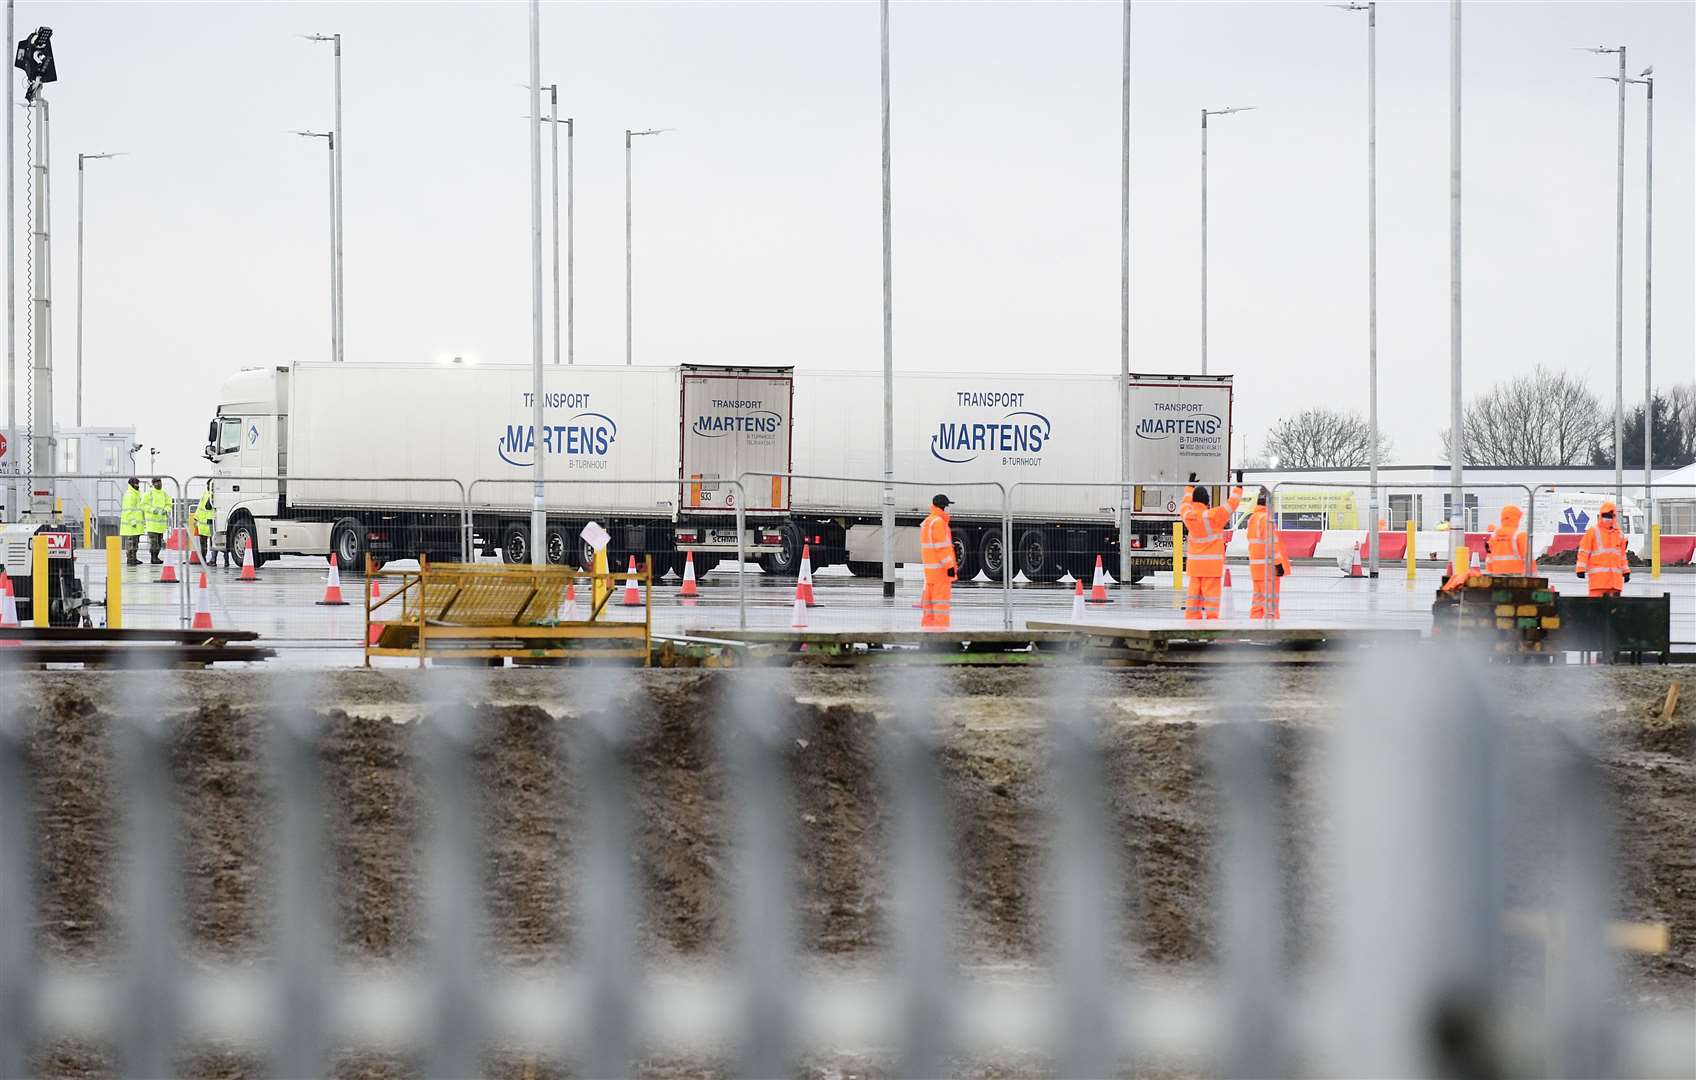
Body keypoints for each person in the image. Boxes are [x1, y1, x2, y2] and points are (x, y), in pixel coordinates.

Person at [1179, 480, 1241, 620]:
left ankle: (1192, 627)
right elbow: (1232, 505)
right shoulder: (1214, 516)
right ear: (1207, 501)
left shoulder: (1189, 516)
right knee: (1212, 603)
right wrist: (1238, 487)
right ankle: (1211, 625)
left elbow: (1184, 505)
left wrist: (1189, 487)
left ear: (1194, 500)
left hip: (1195, 568)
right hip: (1211, 568)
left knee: (1193, 601)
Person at [1245, 487, 1290, 619]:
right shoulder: (1266, 519)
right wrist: (1278, 564)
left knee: (1258, 603)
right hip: (1269, 569)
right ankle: (1271, 631)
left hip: (1257, 568)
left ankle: (1255, 629)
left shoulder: (1253, 518)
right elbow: (1271, 544)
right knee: (1270, 605)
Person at [919, 493, 957, 629]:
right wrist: (950, 567)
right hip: (941, 573)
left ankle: (927, 635)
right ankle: (941, 636)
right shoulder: (939, 523)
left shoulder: (928, 522)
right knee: (941, 607)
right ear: (943, 506)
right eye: (947, 506)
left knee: (929, 607)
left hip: (929, 573)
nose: (948, 509)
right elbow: (942, 548)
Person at [1576, 501, 1629, 597]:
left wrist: (1626, 571)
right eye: (1605, 515)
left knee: (1614, 610)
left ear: (1614, 517)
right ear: (1600, 515)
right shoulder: (1593, 531)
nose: (1607, 518)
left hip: (1615, 584)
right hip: (1598, 583)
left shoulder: (1619, 534)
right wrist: (1580, 569)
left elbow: (1622, 556)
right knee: (1596, 609)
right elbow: (1584, 551)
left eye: (1610, 516)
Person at [1485, 505, 1528, 576]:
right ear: (1516, 518)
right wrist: (1533, 577)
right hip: (1516, 575)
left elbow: (1489, 556)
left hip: (1497, 575)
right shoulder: (1520, 535)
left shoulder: (1494, 535)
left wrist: (1490, 573)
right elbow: (1527, 558)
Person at [143, 477, 171, 564]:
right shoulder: (149, 493)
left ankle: (156, 557)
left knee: (159, 542)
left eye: (160, 482)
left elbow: (168, 504)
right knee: (154, 543)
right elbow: (143, 505)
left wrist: (166, 510)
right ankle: (153, 558)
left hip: (161, 524)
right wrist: (152, 510)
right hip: (152, 524)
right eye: (157, 482)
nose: (159, 484)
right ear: (153, 483)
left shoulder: (164, 494)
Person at [119, 476, 145, 565]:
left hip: (136, 525)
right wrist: (132, 521)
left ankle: (133, 558)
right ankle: (130, 559)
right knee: (131, 543)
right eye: (135, 483)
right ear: (131, 484)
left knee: (135, 543)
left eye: (138, 483)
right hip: (131, 525)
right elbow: (128, 510)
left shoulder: (136, 494)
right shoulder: (130, 495)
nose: (137, 485)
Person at [192, 486, 216, 565]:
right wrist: (196, 518)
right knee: (203, 543)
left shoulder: (216, 495)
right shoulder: (205, 494)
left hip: (211, 522)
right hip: (203, 523)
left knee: (214, 542)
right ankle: (203, 559)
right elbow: (200, 507)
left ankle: (213, 560)